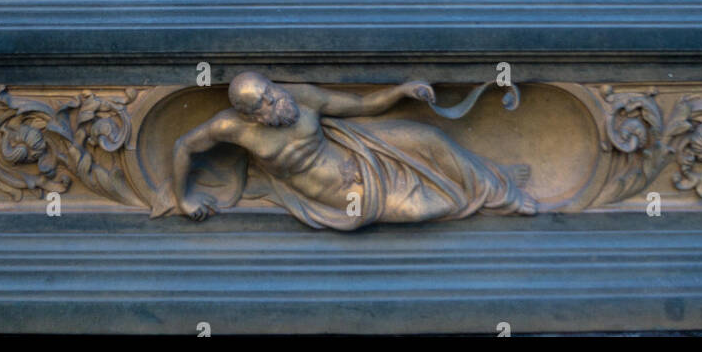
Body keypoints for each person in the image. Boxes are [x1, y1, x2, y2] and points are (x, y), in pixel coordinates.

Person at [159, 72, 536, 230]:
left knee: (429, 139)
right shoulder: (230, 128)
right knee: (420, 209)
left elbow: (360, 105)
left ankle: (501, 190)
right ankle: (482, 186)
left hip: (362, 150)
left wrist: (403, 90)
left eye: (275, 93)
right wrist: (184, 198)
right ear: (250, 115)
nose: (279, 103)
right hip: (348, 195)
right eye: (266, 104)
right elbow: (182, 145)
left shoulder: (302, 98)